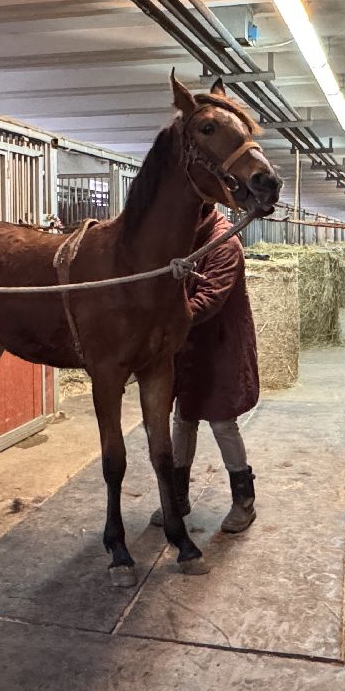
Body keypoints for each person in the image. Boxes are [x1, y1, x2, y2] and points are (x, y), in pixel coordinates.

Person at [150, 207, 259, 533]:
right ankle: (179, 497)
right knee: (183, 418)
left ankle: (244, 501)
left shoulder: (225, 244)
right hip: (188, 347)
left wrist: (161, 322)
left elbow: (210, 298)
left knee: (222, 421)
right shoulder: (185, 238)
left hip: (218, 344)